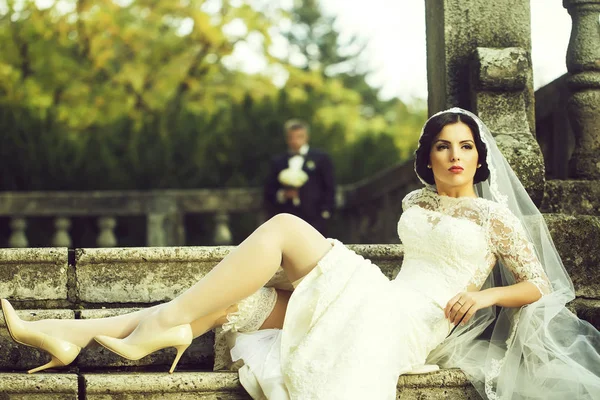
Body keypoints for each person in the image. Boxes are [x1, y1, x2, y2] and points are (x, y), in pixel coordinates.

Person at [2, 108, 599, 399]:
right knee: (248, 297)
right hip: (382, 300)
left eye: (465, 146)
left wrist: (486, 292)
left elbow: (541, 285)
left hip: (412, 322)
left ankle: (159, 326)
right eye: (442, 146)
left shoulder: (494, 215)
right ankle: (69, 331)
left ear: (479, 157)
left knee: (287, 226)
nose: (454, 156)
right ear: (429, 155)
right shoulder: (420, 200)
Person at [263, 119, 335, 236]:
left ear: (306, 137)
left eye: (299, 137)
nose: (295, 141)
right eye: (291, 137)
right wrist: (282, 195)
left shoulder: (321, 158)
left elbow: (329, 187)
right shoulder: (277, 161)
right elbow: (269, 189)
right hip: (286, 218)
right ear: (287, 138)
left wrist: (325, 213)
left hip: (314, 218)